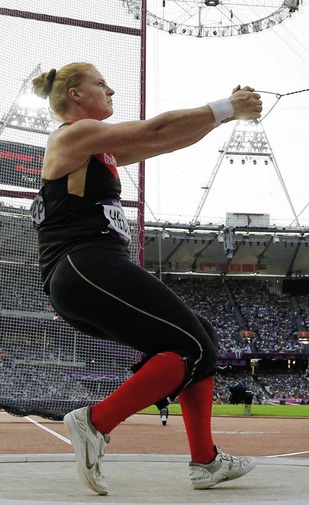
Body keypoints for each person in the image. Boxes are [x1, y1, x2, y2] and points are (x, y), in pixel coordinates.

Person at [30, 62, 262, 495]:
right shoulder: (72, 134)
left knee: (200, 339)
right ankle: (94, 422)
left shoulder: (99, 149)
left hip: (84, 274)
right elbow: (155, 129)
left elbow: (167, 141)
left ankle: (206, 462)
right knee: (191, 347)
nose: (112, 89)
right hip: (86, 264)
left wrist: (226, 115)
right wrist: (224, 106)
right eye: (101, 84)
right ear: (76, 96)